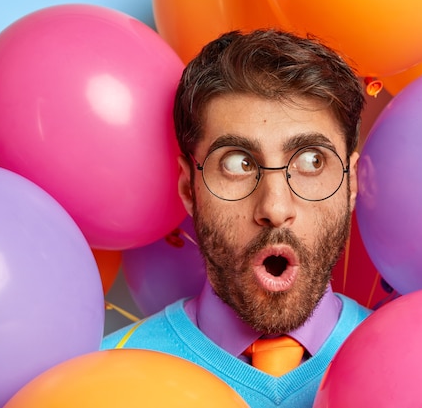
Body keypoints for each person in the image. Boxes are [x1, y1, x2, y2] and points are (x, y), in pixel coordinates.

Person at [101, 28, 372, 407]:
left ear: (351, 183)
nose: (275, 209)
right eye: (237, 163)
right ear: (188, 187)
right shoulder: (100, 382)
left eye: (312, 161)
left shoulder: (420, 369)